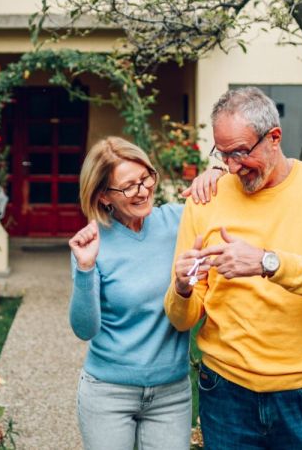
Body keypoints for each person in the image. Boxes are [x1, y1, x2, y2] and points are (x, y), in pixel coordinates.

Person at [164, 87, 302, 450]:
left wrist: (266, 262)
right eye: (223, 154)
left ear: (274, 137)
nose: (232, 167)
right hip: (226, 392)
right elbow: (184, 318)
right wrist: (181, 288)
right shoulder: (206, 198)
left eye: (241, 152)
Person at [68, 136, 223, 450]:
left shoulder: (179, 221)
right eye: (129, 186)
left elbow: (235, 203)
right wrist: (85, 269)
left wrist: (219, 172)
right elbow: (85, 329)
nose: (143, 190)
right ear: (103, 196)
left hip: (171, 392)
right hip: (108, 393)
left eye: (146, 178)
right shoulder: (92, 243)